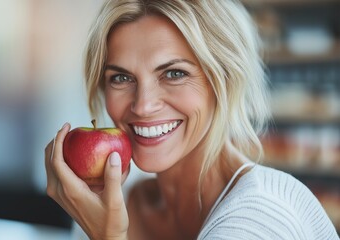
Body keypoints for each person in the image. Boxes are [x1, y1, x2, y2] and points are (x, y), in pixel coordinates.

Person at [45, 0, 339, 239]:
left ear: (223, 79)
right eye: (121, 77)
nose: (144, 105)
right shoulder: (120, 203)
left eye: (174, 73)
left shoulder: (259, 221)